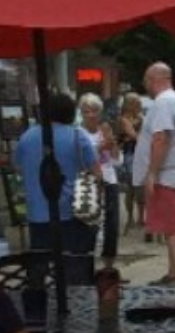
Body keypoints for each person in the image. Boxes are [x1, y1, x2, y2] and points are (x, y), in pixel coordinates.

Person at [15, 92, 100, 284]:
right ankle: (77, 307)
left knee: (38, 270)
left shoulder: (26, 137)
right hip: (73, 215)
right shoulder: (78, 137)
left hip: (37, 215)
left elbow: (18, 167)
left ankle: (38, 307)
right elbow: (97, 174)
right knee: (76, 272)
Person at [133, 62, 175, 287]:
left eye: (146, 80)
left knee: (172, 226)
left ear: (154, 79)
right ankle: (173, 272)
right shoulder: (174, 101)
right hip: (173, 172)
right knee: (170, 225)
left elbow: (161, 138)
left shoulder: (163, 102)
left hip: (167, 174)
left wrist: (152, 172)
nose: (145, 85)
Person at [79, 93, 122, 269]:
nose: (91, 115)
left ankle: (108, 268)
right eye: (86, 111)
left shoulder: (105, 129)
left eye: (94, 110)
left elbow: (117, 161)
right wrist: (100, 147)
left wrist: (112, 144)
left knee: (111, 225)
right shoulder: (78, 133)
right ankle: (87, 267)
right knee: (89, 227)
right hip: (88, 182)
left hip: (109, 179)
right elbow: (80, 160)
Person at [119, 92, 146, 235]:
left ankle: (141, 216)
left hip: (141, 154)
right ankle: (130, 217)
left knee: (141, 187)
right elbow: (133, 135)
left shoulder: (141, 117)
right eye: (136, 102)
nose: (139, 104)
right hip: (130, 155)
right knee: (131, 187)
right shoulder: (123, 119)